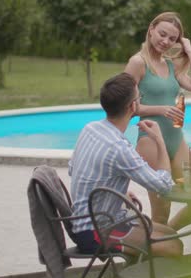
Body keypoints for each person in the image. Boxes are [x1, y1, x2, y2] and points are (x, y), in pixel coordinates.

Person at [69, 73, 181, 257]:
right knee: (173, 246)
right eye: (139, 97)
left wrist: (116, 192)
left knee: (170, 233)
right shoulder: (119, 148)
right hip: (96, 233)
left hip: (83, 223)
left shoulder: (89, 128)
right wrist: (159, 140)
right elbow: (164, 186)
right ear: (133, 106)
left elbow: (74, 170)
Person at [125, 12, 191, 229]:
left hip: (176, 139)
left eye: (172, 39)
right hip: (151, 141)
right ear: (151, 29)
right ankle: (156, 249)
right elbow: (128, 108)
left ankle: (166, 235)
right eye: (162, 34)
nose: (165, 41)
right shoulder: (137, 63)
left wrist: (189, 51)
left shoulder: (171, 65)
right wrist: (162, 109)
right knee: (162, 210)